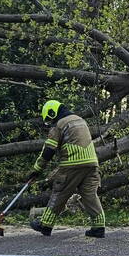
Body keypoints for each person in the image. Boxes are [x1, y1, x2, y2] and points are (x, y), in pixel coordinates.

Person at [28, 100, 105, 237]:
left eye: (49, 120)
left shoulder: (60, 124)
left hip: (72, 164)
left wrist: (36, 169)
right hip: (92, 163)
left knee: (60, 192)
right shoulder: (80, 120)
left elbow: (49, 150)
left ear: (52, 113)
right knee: (90, 195)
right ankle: (99, 228)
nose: (50, 123)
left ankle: (45, 224)